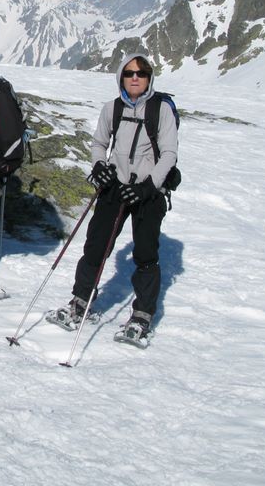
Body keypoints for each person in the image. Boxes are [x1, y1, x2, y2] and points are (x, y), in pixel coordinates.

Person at [59, 53, 178, 341]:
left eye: (141, 73)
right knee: (96, 246)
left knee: (145, 253)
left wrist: (149, 186)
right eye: (129, 73)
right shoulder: (111, 108)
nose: (135, 77)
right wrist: (99, 165)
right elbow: (100, 143)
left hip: (148, 193)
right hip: (114, 186)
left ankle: (142, 313)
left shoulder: (160, 110)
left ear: (149, 78)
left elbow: (170, 154)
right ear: (120, 77)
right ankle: (80, 300)